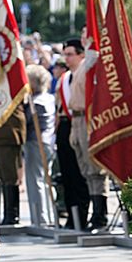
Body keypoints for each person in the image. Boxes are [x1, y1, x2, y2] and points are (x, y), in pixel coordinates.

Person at [68, 35, 110, 232]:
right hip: (76, 119)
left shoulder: (89, 63)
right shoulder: (77, 70)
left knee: (95, 170)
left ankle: (100, 215)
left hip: (87, 118)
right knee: (86, 169)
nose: (66, 58)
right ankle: (96, 212)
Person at [56, 39, 91, 230]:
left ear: (81, 54)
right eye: (65, 54)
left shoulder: (84, 74)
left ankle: (83, 215)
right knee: (67, 174)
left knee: (81, 173)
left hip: (79, 122)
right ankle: (72, 215)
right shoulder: (65, 78)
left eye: (70, 54)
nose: (66, 58)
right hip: (65, 125)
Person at [24, 64, 56, 226]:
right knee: (44, 179)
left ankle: (40, 217)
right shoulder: (50, 98)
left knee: (35, 180)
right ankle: (47, 215)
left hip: (35, 142)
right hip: (49, 142)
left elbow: (26, 121)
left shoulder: (34, 102)